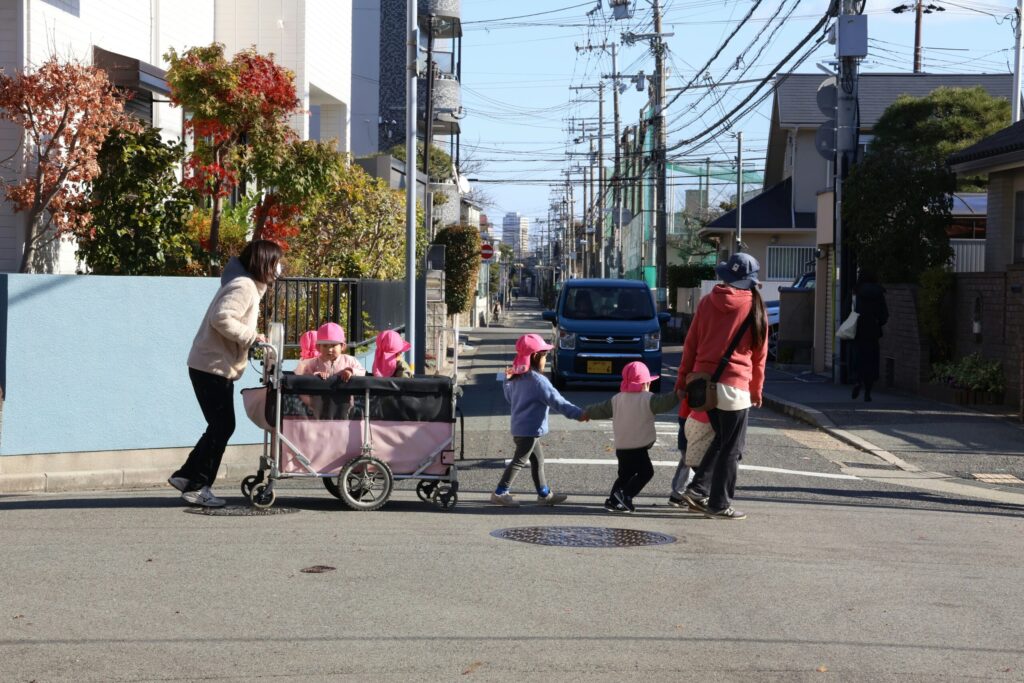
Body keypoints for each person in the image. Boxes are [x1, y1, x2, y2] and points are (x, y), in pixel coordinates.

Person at [169, 240, 284, 507]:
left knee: (219, 425)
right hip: (212, 366)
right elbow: (221, 318)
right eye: (276, 261)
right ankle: (198, 485)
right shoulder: (243, 286)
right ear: (264, 262)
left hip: (210, 365)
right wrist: (251, 337)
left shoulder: (245, 285)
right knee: (223, 426)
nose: (279, 267)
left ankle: (186, 476)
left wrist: (253, 336)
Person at [674, 252, 768, 521]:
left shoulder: (706, 303)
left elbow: (690, 345)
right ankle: (719, 503)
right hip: (735, 385)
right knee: (732, 447)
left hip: (703, 385)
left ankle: (697, 488)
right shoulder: (754, 306)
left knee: (722, 440)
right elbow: (760, 356)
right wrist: (756, 390)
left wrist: (682, 381)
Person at [491, 333, 587, 507]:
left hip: (521, 428)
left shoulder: (516, 377)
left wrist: (505, 380)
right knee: (519, 461)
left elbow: (509, 397)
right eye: (545, 356)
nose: (546, 360)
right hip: (530, 430)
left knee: (538, 461)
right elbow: (558, 402)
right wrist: (578, 413)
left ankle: (544, 494)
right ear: (535, 356)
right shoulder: (539, 381)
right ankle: (500, 492)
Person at [583, 362, 679, 513]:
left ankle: (613, 500)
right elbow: (665, 403)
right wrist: (677, 395)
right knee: (646, 472)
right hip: (638, 447)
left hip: (622, 446)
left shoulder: (617, 399)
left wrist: (586, 412)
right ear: (646, 383)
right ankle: (626, 496)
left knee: (624, 475)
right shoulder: (649, 399)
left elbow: (600, 409)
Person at [667, 396, 712, 510]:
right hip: (695, 422)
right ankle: (681, 495)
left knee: (687, 461)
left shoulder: (691, 387)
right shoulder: (698, 392)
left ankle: (678, 495)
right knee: (691, 463)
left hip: (688, 419)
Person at [850, 271, 889, 402]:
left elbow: (847, 309)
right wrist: (879, 322)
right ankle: (868, 392)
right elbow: (884, 315)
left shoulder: (856, 292)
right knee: (871, 360)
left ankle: (857, 380)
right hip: (872, 330)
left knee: (857, 357)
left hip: (858, 329)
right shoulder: (879, 293)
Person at [295, 322, 366, 381]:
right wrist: (316, 375)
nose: (329, 349)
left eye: (334, 345)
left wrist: (351, 371)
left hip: (343, 396)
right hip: (319, 397)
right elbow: (300, 375)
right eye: (325, 346)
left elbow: (362, 372)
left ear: (342, 346)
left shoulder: (350, 360)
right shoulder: (312, 363)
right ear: (318, 347)